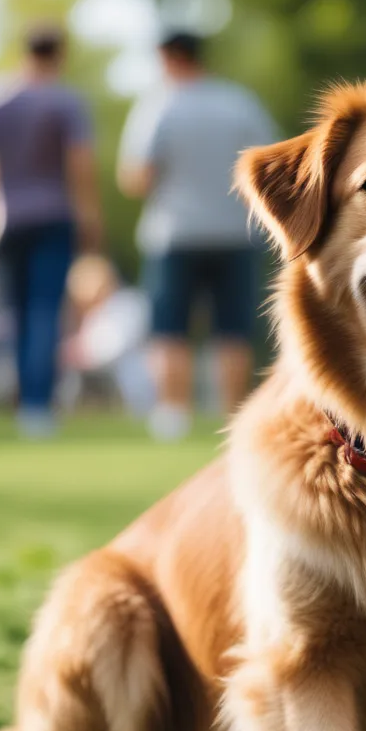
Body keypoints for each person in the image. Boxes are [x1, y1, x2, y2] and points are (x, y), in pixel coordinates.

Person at [117, 30, 277, 440]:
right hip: (234, 233)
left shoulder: (158, 106)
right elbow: (270, 168)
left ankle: (173, 414)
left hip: (174, 234)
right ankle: (234, 415)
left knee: (169, 327)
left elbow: (137, 177)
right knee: (233, 329)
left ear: (166, 57)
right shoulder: (239, 102)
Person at [0, 23, 103, 438]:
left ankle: (20, 395)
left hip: (3, 219)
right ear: (59, 54)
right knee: (45, 309)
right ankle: (38, 405)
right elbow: (80, 164)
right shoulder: (66, 101)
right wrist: (91, 217)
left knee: (15, 311)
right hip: (54, 216)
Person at [61, 254, 152, 416]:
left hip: (135, 374)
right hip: (111, 372)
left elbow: (116, 345)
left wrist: (83, 353)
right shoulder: (95, 314)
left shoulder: (125, 305)